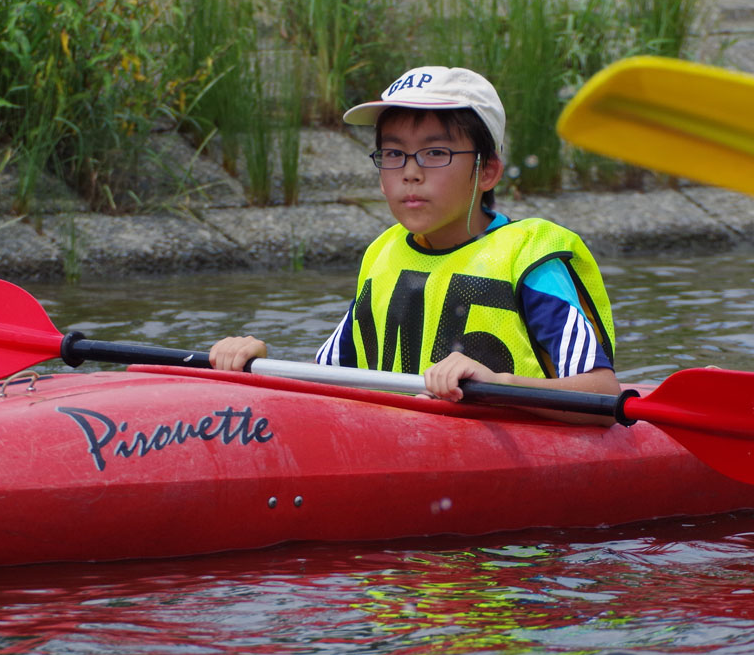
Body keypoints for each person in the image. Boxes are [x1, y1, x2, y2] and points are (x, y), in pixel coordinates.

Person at [210, 65, 620, 420]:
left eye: (435, 152)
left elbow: (604, 394)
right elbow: (326, 381)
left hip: (513, 452)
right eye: (393, 154)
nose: (410, 173)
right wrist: (256, 365)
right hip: (401, 442)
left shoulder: (532, 259)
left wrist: (498, 384)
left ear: (488, 170)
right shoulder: (384, 256)